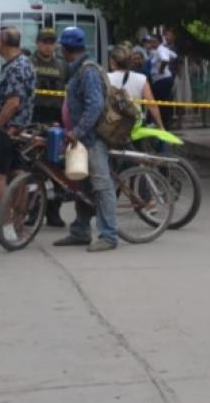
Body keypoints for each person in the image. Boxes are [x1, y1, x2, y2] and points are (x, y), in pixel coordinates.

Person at [51, 27, 120, 252]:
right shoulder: (77, 69)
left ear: (65, 49)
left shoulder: (87, 71)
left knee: (102, 185)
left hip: (92, 138)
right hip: (80, 138)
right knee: (82, 186)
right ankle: (80, 231)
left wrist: (78, 131)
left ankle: (108, 236)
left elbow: (95, 106)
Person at [0, 28, 36, 213]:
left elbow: (13, 103)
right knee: (17, 175)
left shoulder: (15, 67)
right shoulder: (25, 63)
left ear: (2, 42)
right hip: (18, 129)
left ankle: (6, 226)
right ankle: (17, 229)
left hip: (6, 129)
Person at [29, 28, 69, 228]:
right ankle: (33, 210)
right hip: (33, 119)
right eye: (44, 41)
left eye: (51, 42)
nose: (48, 45)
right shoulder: (29, 63)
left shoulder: (62, 65)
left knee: (56, 167)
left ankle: (54, 211)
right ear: (37, 43)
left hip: (55, 120)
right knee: (34, 167)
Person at [108, 44, 164, 130]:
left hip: (113, 126)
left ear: (113, 61)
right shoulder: (141, 78)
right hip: (135, 125)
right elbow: (152, 105)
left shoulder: (106, 78)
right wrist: (161, 126)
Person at [149, 33, 178, 128]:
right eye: (151, 42)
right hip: (163, 79)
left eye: (154, 42)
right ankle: (164, 122)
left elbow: (165, 60)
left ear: (159, 42)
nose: (152, 44)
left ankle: (164, 123)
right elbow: (174, 56)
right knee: (163, 101)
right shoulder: (163, 49)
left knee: (161, 102)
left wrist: (161, 69)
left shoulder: (160, 50)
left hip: (162, 79)